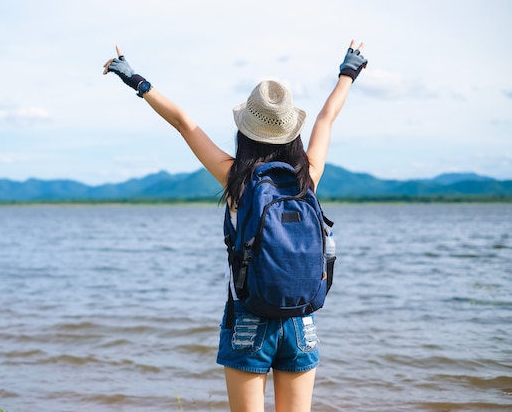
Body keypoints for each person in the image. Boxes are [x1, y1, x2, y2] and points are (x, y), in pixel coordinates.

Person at [103, 41, 367, 412]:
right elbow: (326, 118)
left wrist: (134, 78)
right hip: (301, 321)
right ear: (292, 131)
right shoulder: (309, 175)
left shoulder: (237, 179)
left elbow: (184, 123)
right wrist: (349, 70)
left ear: (246, 130)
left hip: (249, 320)